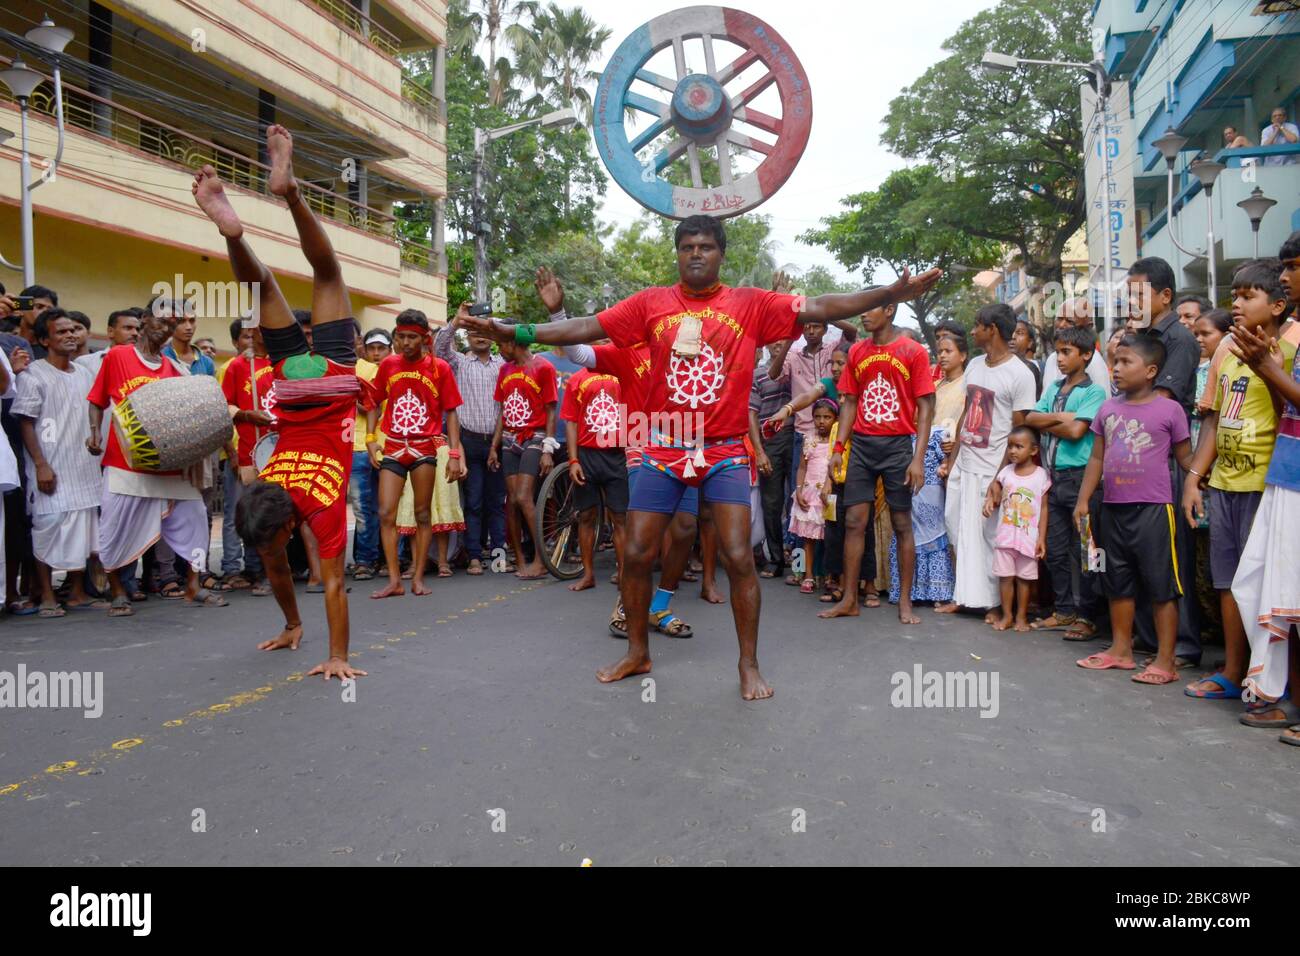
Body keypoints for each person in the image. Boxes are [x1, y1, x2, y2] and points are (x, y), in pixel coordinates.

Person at [460, 213, 941, 699]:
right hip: (663, 444)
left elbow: (821, 304)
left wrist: (887, 294)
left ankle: (748, 665)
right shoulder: (650, 303)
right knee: (634, 552)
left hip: (727, 449)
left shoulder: (750, 304)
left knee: (737, 556)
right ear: (677, 253)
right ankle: (637, 651)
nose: (695, 253)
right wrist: (513, 329)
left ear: (721, 253)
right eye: (687, 245)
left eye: (706, 246)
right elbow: (586, 328)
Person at [193, 123, 364, 680]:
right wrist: (328, 650)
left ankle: (240, 232)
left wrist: (329, 649)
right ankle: (273, 205)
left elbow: (314, 580)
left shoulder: (293, 504)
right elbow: (331, 584)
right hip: (293, 385)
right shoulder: (269, 494)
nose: (273, 553)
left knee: (301, 279)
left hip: (331, 385)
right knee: (294, 279)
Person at [537, 267, 703, 638]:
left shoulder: (687, 343)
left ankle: (659, 606)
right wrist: (557, 314)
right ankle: (627, 603)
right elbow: (579, 351)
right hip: (642, 440)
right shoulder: (625, 352)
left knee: (685, 528)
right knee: (643, 531)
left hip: (687, 438)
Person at [1182, 260, 1295, 704]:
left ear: (1278, 304)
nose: (1237, 305)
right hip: (1226, 481)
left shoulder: (1291, 345)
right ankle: (1234, 669)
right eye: (1235, 296)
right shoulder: (1227, 348)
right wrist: (1195, 477)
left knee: (1270, 585)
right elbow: (1212, 418)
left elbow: (1289, 408)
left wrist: (1265, 364)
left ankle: (1273, 680)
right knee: (1227, 580)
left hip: (1267, 483)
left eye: (1248, 296)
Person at [86, 298, 226, 616]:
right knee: (115, 528)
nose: (168, 327)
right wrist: (94, 431)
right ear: (146, 319)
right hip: (125, 464)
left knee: (195, 522)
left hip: (168, 466)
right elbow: (97, 399)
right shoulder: (119, 356)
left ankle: (193, 584)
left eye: (174, 322)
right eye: (163, 319)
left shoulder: (173, 368)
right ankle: (118, 591)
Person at [1074, 335, 1193, 684]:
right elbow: (1097, 456)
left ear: (1151, 370)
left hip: (1155, 510)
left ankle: (1166, 661)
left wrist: (1200, 482)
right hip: (1112, 509)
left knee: (1161, 585)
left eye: (1127, 362)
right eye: (1116, 362)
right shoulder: (1108, 409)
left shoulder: (1171, 411)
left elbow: (1185, 458)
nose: (1117, 368)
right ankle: (1120, 650)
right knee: (1117, 581)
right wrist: (1083, 500)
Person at [821, 292, 935, 625]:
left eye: (870, 309)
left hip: (898, 446)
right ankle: (850, 599)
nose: (863, 316)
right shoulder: (857, 351)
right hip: (863, 447)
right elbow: (850, 403)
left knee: (902, 525)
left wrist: (918, 458)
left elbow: (926, 407)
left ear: (889, 310)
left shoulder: (913, 351)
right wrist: (838, 449)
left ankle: (905, 603)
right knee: (854, 522)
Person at [1231, 231, 1300, 743]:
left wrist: (1267, 366)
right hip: (1287, 469)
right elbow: (1287, 412)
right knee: (1273, 592)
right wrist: (1268, 368)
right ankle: (1287, 697)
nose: (1284, 276)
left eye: (1293, 266)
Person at [940, 304, 1037, 618]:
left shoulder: (1020, 374)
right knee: (957, 529)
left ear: (992, 329)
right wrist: (952, 461)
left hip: (992, 468)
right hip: (964, 463)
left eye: (977, 326)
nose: (972, 332)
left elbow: (1020, 429)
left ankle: (994, 604)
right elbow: (967, 412)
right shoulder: (976, 365)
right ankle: (963, 596)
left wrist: (1000, 478)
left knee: (989, 537)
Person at [1128, 256, 1202, 666]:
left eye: (1138, 293)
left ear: (1164, 295)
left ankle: (1185, 644)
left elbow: (1163, 401)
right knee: (1143, 551)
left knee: (1173, 554)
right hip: (1138, 457)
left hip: (1168, 456)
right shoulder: (1142, 335)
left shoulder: (1179, 340)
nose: (1131, 301)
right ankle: (1149, 638)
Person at [365, 308, 465, 597]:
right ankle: (395, 581)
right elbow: (373, 401)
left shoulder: (439, 369)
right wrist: (372, 439)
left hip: (424, 447)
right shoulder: (388, 365)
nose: (405, 343)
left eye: (412, 337)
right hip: (394, 446)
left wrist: (455, 455)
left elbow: (452, 413)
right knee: (386, 513)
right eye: (401, 337)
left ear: (424, 339)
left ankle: (418, 578)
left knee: (422, 514)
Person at [12, 310, 106, 616]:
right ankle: (48, 596)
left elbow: (94, 409)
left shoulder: (85, 373)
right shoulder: (32, 375)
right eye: (60, 332)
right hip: (51, 466)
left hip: (83, 465)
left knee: (83, 528)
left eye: (72, 331)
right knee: (47, 527)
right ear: (43, 339)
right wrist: (40, 464)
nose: (69, 336)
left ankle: (77, 592)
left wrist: (94, 437)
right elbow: (26, 423)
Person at [1026, 324, 1107, 639]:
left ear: (1086, 355)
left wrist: (1055, 422)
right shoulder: (1053, 389)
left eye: (1066, 352)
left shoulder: (1094, 392)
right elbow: (1029, 419)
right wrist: (1067, 417)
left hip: (1081, 478)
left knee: (1086, 548)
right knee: (1057, 549)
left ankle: (1088, 615)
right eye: (1057, 351)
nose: (1058, 358)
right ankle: (1064, 610)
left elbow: (1078, 433)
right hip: (1054, 476)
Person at [434, 314, 505, 576]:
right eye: (474, 331)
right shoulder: (460, 363)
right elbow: (439, 347)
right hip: (469, 441)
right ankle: (474, 556)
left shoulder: (502, 365)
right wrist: (458, 321)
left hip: (497, 443)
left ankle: (499, 556)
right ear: (468, 336)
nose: (480, 335)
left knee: (496, 503)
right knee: (473, 503)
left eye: (485, 331)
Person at [491, 329, 557, 581]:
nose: (499, 350)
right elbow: (503, 411)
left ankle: (541, 560)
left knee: (524, 497)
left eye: (501, 344)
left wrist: (548, 449)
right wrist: (493, 447)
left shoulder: (543, 367)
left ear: (512, 342)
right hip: (509, 438)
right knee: (512, 501)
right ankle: (520, 559)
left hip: (536, 436)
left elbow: (552, 410)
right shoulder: (505, 370)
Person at [561, 364, 628, 592]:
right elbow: (571, 420)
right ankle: (588, 574)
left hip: (617, 454)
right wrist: (573, 460)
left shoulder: (624, 372)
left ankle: (623, 573)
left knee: (620, 517)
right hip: (587, 455)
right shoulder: (577, 379)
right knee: (586, 516)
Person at [219, 317, 273, 594]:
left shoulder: (281, 363)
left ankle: (260, 570)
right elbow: (225, 406)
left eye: (256, 334)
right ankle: (232, 569)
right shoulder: (237, 366)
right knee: (238, 513)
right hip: (247, 452)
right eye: (247, 335)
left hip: (277, 452)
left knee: (266, 515)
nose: (252, 339)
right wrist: (245, 415)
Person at [984, 425, 1049, 632]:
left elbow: (1045, 508)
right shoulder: (1005, 473)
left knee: (1024, 579)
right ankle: (1007, 616)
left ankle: (1021, 616)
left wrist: (1041, 538)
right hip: (1005, 537)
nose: (1013, 451)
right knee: (1005, 578)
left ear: (1033, 450)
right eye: (1010, 446)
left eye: (1019, 446)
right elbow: (995, 496)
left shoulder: (1041, 476)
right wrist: (988, 503)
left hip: (1028, 539)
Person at [349, 328, 390, 580]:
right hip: (356, 446)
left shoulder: (395, 371)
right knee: (363, 509)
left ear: (390, 350)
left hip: (388, 447)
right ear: (363, 348)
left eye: (381, 348)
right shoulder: (353, 370)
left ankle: (388, 559)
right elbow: (363, 403)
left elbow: (374, 405)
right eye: (371, 348)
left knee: (387, 508)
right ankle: (365, 559)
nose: (376, 353)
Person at [789, 399, 836, 593]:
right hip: (809, 493)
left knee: (831, 537)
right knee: (808, 537)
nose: (822, 421)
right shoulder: (809, 440)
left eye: (827, 417)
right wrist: (799, 489)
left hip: (829, 495)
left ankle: (830, 575)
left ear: (836, 419)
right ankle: (807, 575)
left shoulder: (836, 442)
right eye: (817, 417)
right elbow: (802, 467)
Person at [1042, 298, 1110, 393]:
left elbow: (1101, 405)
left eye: (1070, 322)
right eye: (1059, 319)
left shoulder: (1094, 362)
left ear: (1088, 327)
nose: (1061, 325)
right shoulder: (1051, 359)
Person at [163, 307, 217, 376]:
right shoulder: (160, 356)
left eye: (192, 321)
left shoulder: (206, 362)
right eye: (181, 321)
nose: (189, 327)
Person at [1011, 318, 1043, 399]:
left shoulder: (1043, 368)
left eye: (1020, 333)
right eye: (1010, 333)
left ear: (1030, 343)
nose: (1013, 337)